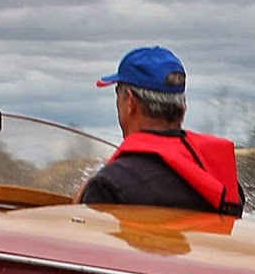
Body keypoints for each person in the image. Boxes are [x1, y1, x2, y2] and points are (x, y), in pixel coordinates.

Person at [78, 46, 244, 217]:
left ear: (130, 102)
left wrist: (87, 194)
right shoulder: (222, 182)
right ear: (182, 107)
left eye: (117, 94)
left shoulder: (109, 185)